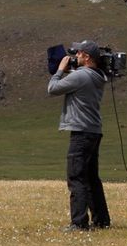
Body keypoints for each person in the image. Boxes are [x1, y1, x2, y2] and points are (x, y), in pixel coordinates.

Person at [47, 39, 111, 231]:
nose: (75, 57)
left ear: (86, 56)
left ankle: (79, 222)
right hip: (93, 130)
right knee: (91, 177)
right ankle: (101, 219)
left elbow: (52, 89)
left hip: (81, 132)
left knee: (76, 177)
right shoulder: (97, 75)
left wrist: (59, 70)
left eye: (79, 54)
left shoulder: (81, 76)